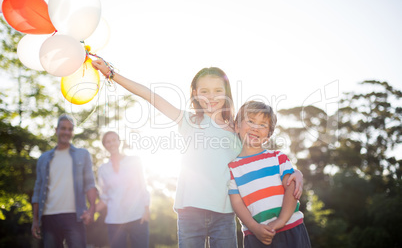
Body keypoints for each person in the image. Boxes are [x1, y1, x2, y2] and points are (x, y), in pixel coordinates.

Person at [92, 60, 303, 248]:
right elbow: (150, 95)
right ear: (194, 93)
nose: (211, 97)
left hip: (225, 213)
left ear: (227, 93)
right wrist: (111, 74)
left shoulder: (237, 129)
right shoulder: (189, 121)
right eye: (204, 91)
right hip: (189, 212)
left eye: (217, 90)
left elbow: (261, 157)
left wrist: (297, 173)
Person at [229, 101, 311, 247]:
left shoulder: (278, 158)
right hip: (257, 235)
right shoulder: (232, 168)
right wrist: (255, 228)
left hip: (291, 227)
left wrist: (280, 221)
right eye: (251, 121)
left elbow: (292, 188)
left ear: (268, 135)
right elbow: (237, 203)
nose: (255, 128)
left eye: (263, 125)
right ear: (236, 126)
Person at [31, 114, 97, 248]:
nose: (66, 132)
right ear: (56, 130)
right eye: (63, 128)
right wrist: (35, 220)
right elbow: (37, 190)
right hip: (49, 217)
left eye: (70, 129)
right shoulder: (43, 158)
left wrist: (92, 209)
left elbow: (90, 183)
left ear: (72, 132)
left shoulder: (82, 154)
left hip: (75, 216)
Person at [96, 131, 150, 248]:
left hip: (137, 217)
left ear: (119, 142)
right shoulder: (103, 169)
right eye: (108, 141)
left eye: (114, 140)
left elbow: (143, 185)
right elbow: (104, 197)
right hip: (114, 221)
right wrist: (90, 212)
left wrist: (146, 209)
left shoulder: (134, 161)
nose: (112, 144)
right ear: (104, 145)